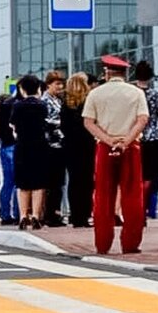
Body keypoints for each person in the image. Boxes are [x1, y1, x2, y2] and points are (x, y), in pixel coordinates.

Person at [83, 56, 149, 255]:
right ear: (124, 73)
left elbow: (88, 122)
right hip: (131, 146)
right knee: (132, 195)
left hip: (105, 146)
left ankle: (103, 243)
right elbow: (142, 119)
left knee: (103, 195)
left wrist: (109, 140)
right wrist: (126, 140)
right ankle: (130, 243)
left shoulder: (96, 93)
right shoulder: (136, 93)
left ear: (107, 72)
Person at [11, 75, 50, 230]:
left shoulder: (18, 106)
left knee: (23, 183)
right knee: (38, 183)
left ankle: (22, 216)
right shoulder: (42, 105)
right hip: (40, 145)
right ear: (38, 88)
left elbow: (13, 125)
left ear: (22, 89)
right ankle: (35, 215)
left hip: (22, 145)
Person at [62, 73, 96, 228]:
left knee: (74, 181)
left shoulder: (65, 103)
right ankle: (85, 214)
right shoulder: (88, 102)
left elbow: (62, 126)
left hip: (69, 145)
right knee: (87, 181)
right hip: (87, 144)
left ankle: (75, 215)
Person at [134, 61, 158, 219]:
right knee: (153, 175)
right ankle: (150, 209)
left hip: (135, 136)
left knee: (137, 173)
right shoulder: (155, 95)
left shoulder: (132, 93)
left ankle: (138, 206)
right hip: (154, 137)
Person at [42, 71, 68, 227]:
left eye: (61, 83)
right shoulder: (46, 101)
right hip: (51, 145)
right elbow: (48, 122)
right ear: (48, 85)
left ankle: (55, 211)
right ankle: (51, 213)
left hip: (59, 145)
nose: (60, 87)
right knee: (53, 183)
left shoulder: (58, 100)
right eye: (57, 84)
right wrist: (61, 125)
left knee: (58, 182)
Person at [0, 91, 20, 225]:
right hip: (13, 147)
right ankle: (16, 213)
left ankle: (5, 214)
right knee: (17, 182)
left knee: (7, 183)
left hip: (4, 148)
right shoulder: (11, 114)